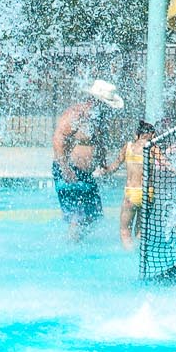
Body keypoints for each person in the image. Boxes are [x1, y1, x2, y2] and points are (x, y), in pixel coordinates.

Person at [51, 79, 122, 242]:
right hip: (70, 170)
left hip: (85, 174)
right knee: (78, 215)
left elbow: (99, 142)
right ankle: (71, 247)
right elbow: (58, 139)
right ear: (95, 100)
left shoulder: (98, 118)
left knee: (94, 214)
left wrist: (102, 162)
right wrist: (65, 167)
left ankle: (76, 243)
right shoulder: (76, 115)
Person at [118, 120, 169, 250]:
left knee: (125, 230)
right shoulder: (152, 147)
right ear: (152, 134)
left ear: (137, 135)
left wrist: (103, 170)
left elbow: (114, 166)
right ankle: (140, 256)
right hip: (147, 193)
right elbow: (166, 163)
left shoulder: (128, 146)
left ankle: (129, 254)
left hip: (131, 193)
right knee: (141, 231)